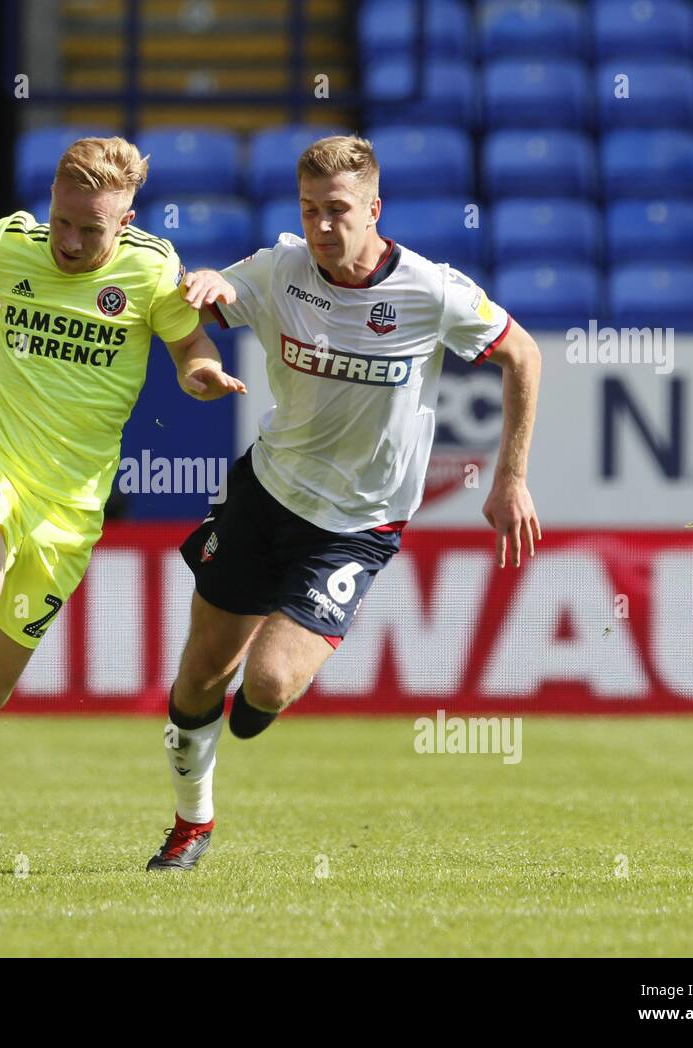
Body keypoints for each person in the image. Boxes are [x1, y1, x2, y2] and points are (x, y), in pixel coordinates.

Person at [145, 135, 543, 870]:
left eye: (338, 211)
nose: (323, 227)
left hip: (357, 525)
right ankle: (190, 824)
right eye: (309, 211)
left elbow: (523, 352)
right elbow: (195, 312)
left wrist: (509, 477)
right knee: (202, 672)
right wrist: (199, 301)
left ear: (374, 210)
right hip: (265, 495)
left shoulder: (430, 291)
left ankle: (254, 705)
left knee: (264, 684)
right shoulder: (279, 269)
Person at [0, 136, 247, 830]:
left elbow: (189, 342)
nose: (67, 242)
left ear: (124, 223)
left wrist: (198, 373)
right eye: (62, 220)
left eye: (89, 229)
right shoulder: (17, 242)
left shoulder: (152, 273)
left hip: (71, 502)